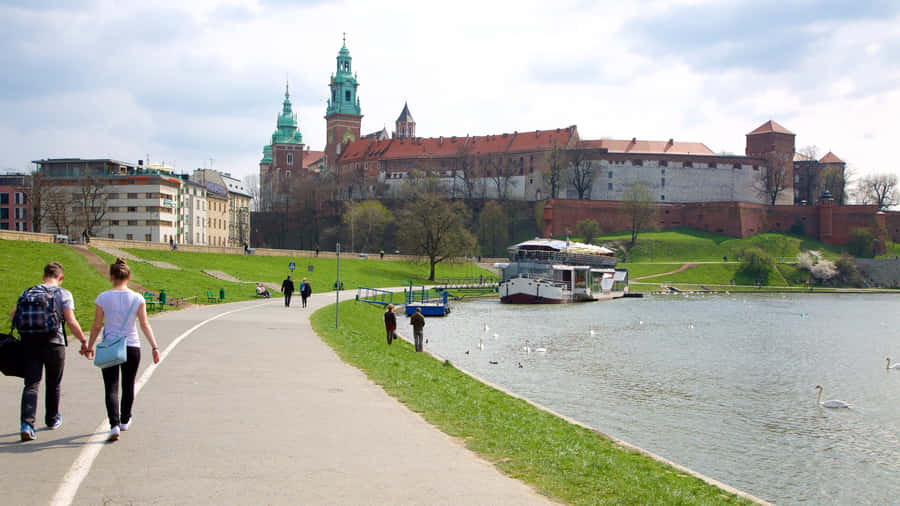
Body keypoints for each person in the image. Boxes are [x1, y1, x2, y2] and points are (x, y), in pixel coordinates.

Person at [11, 262, 89, 441]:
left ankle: (27, 424)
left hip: (30, 344)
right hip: (54, 343)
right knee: (53, 382)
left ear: (43, 276)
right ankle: (52, 419)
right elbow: (71, 320)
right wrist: (83, 341)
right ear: (61, 277)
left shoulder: (27, 292)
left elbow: (13, 315)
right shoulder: (63, 294)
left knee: (31, 383)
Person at [86, 258, 160, 441]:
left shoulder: (103, 297)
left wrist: (90, 346)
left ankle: (114, 425)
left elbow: (96, 325)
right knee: (128, 385)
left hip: (110, 345)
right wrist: (154, 346)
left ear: (111, 276)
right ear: (129, 276)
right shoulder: (137, 298)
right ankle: (125, 420)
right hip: (132, 345)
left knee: (111, 387)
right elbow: (144, 324)